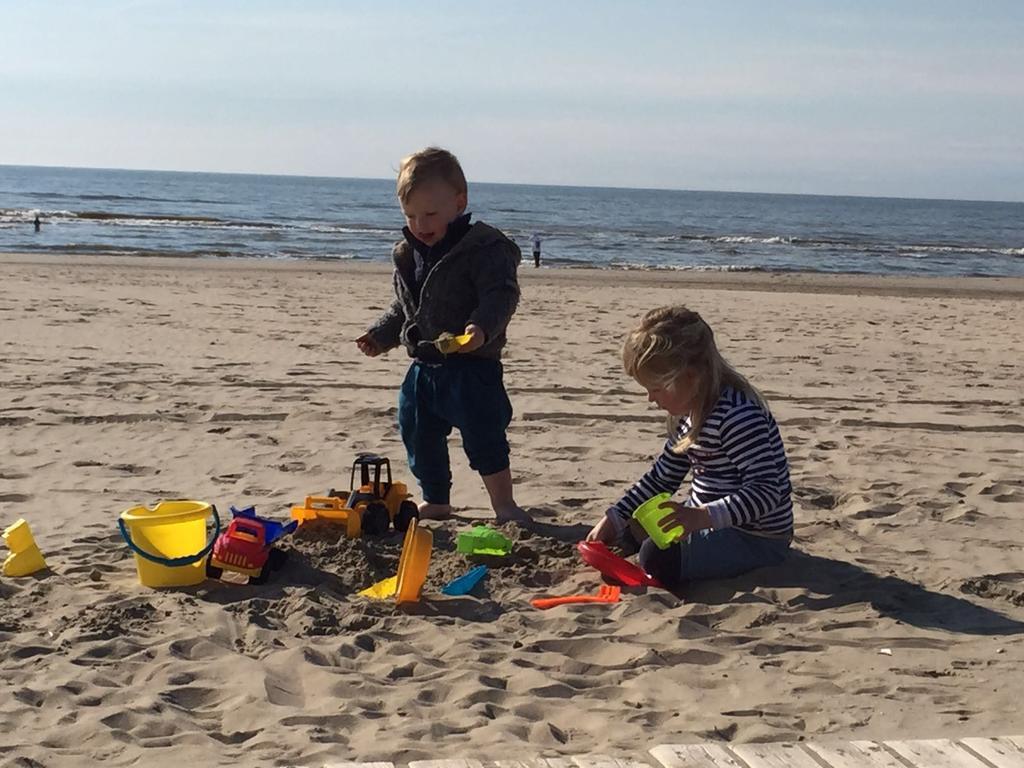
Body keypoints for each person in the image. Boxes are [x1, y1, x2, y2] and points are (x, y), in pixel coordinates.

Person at [356, 147, 528, 523]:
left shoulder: (484, 249)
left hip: (472, 366)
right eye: (411, 215)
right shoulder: (407, 254)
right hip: (424, 366)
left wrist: (481, 327)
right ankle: (436, 499)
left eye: (431, 213)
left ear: (459, 202)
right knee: (417, 431)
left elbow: (501, 294)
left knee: (485, 435)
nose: (420, 223)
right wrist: (382, 335)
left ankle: (504, 503)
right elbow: (405, 307)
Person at [587, 305, 793, 589]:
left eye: (657, 389)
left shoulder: (738, 416)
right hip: (707, 520)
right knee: (636, 525)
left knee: (655, 556)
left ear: (692, 376)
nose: (650, 399)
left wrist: (701, 517)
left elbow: (767, 491)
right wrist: (614, 517)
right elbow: (662, 477)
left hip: (755, 537)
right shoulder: (687, 415)